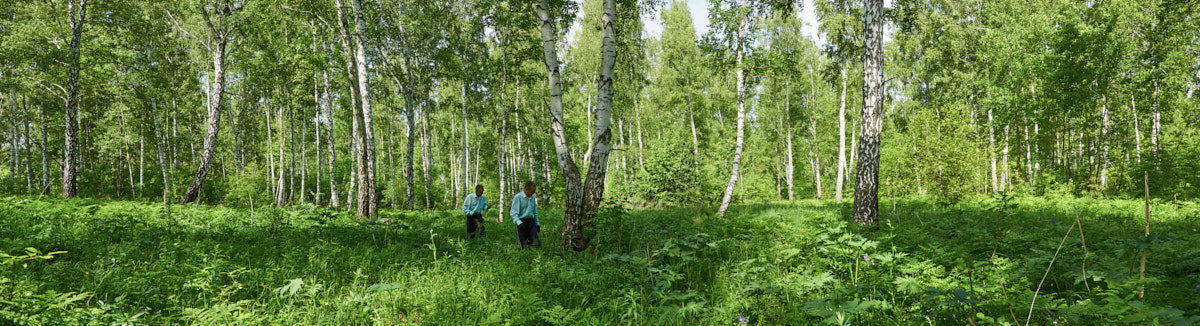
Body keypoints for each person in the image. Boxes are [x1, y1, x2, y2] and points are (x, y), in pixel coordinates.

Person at [510, 181, 540, 249]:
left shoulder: (533, 197)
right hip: (521, 222)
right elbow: (513, 213)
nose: (533, 193)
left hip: (531, 222)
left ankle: (532, 256)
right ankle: (524, 256)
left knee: (535, 243)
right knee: (523, 245)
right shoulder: (518, 197)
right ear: (526, 189)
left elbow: (535, 212)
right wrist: (519, 223)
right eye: (532, 191)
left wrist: (537, 223)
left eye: (534, 192)